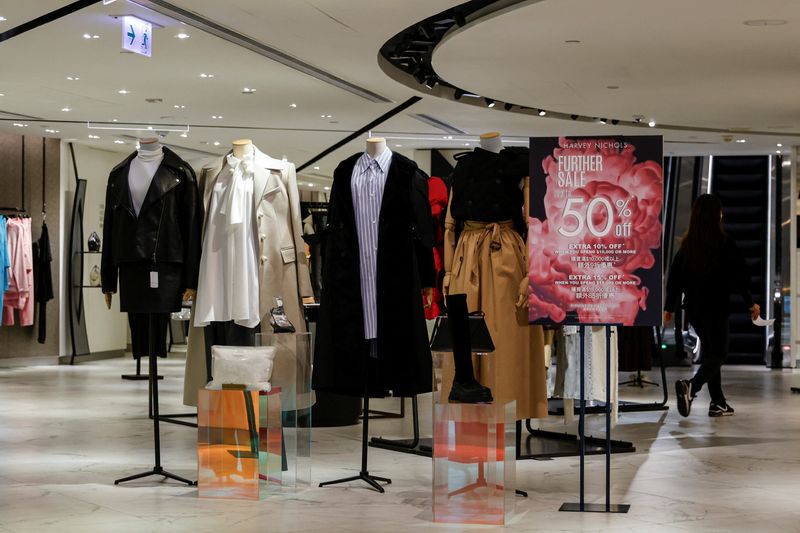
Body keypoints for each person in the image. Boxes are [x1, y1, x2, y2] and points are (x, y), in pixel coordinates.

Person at [664, 194, 760, 418]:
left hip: (695, 310)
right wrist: (750, 303)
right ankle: (692, 386)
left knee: (710, 353)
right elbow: (739, 276)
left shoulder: (687, 246)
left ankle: (718, 402)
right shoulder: (724, 243)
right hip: (716, 307)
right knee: (719, 353)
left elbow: (675, 278)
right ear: (717, 214)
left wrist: (669, 307)